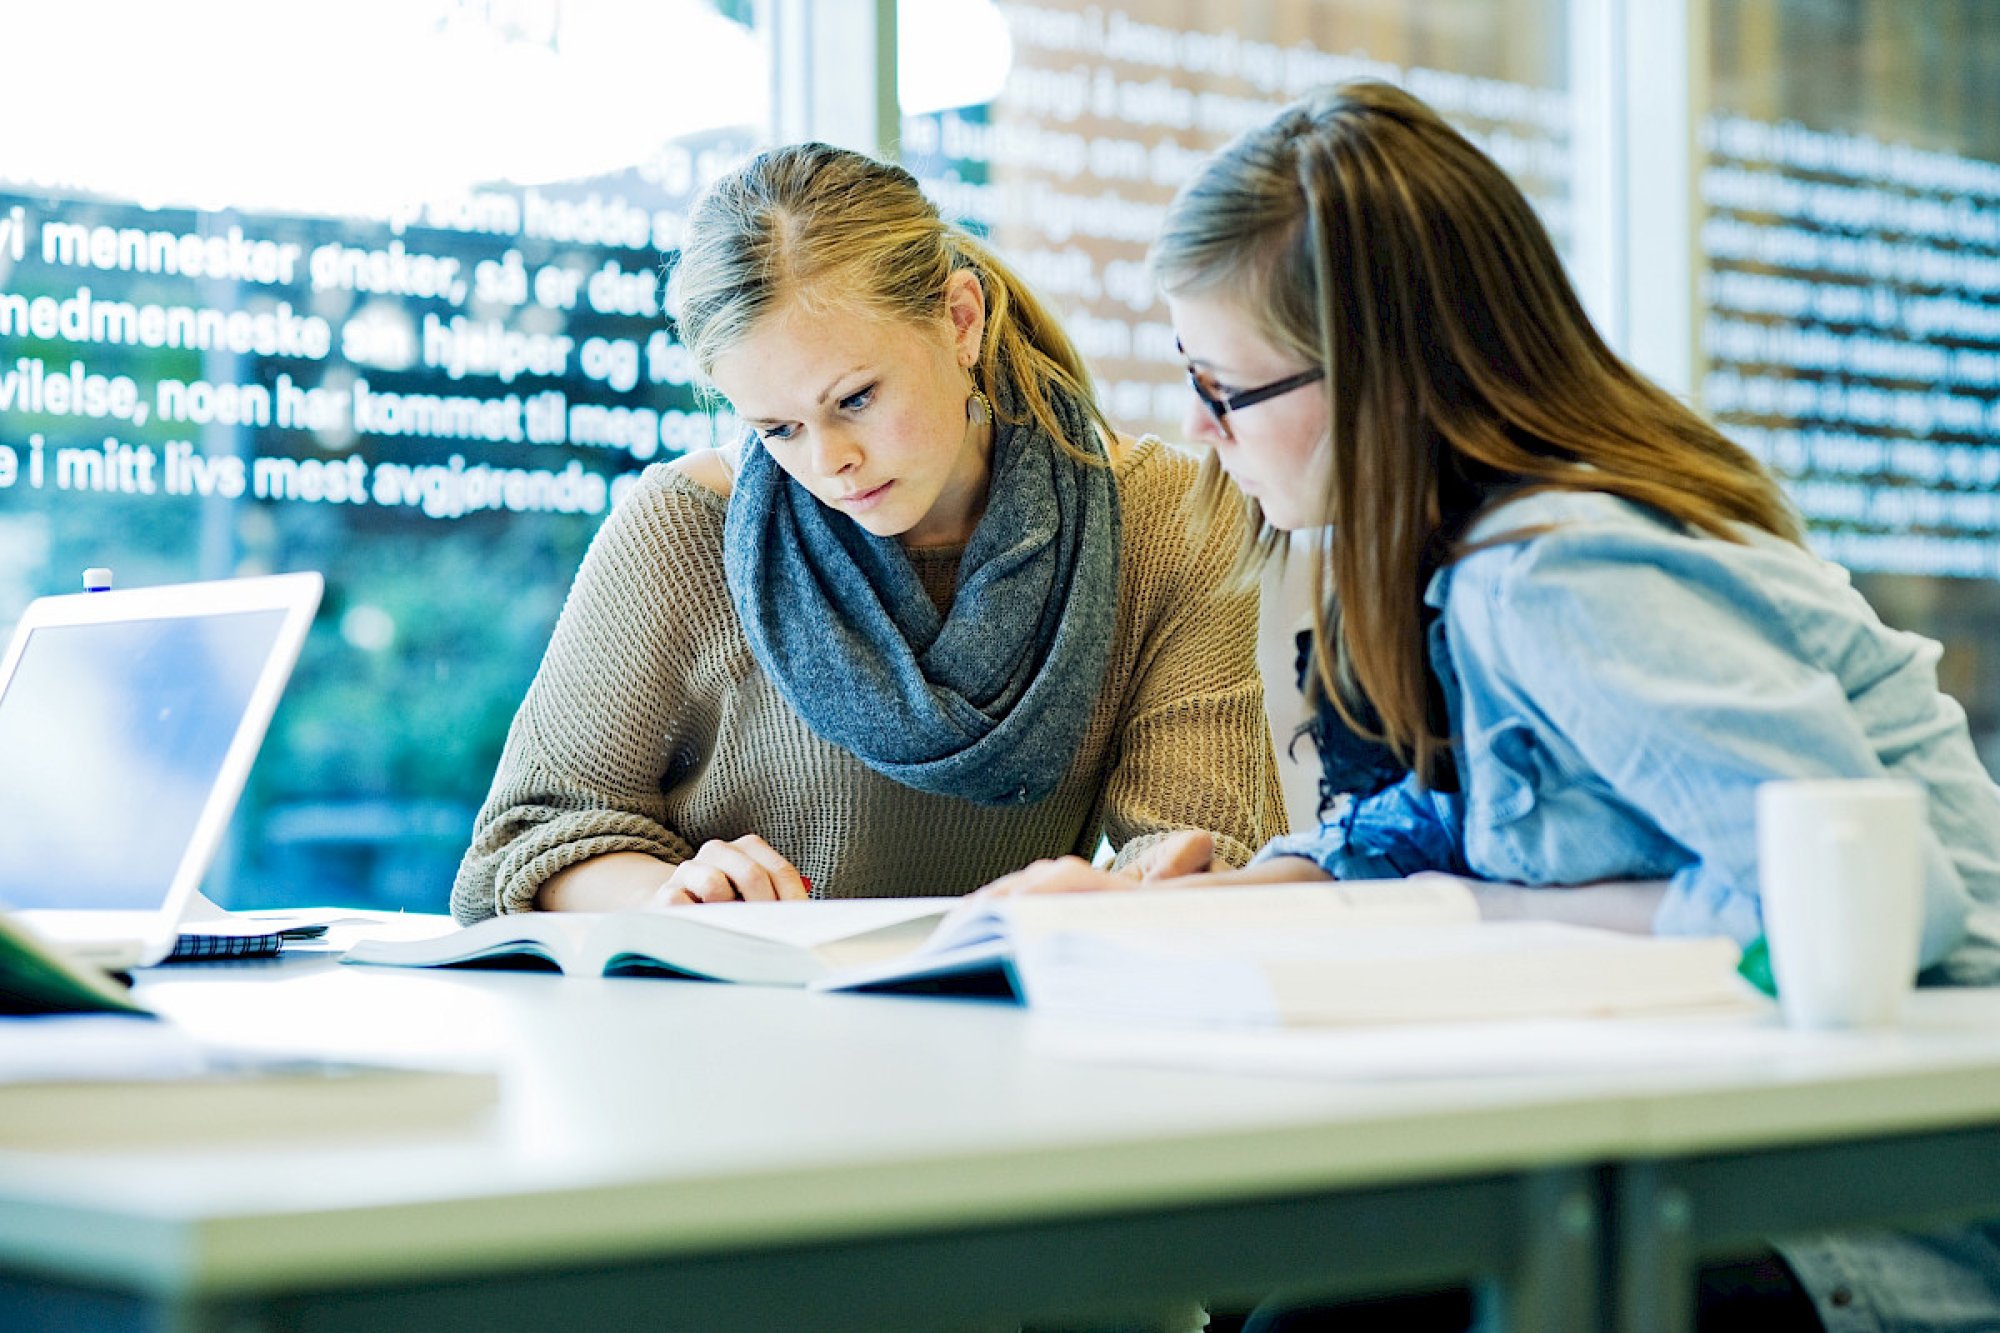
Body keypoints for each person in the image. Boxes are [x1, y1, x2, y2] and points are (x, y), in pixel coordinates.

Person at [983, 81, 2000, 1332]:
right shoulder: (1474, 555)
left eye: (1222, 386)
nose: (1200, 431)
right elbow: (1439, 825)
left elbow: (1872, 909)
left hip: (1882, 1203)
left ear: (1375, 379)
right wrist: (1204, 906)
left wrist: (1483, 913)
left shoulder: (1558, 575)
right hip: (1746, 1135)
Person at [450, 141, 1283, 922]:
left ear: (961, 320)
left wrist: (1133, 900)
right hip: (730, 1038)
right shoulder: (680, 527)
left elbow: (1211, 856)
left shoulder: (1165, 518)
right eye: (778, 429)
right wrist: (673, 893)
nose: (831, 461)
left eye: (855, 399)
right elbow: (519, 845)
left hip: (999, 1031)